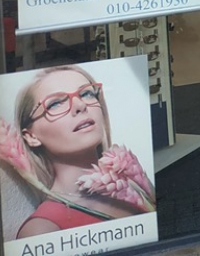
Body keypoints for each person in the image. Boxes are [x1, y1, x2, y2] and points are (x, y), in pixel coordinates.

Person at [10, 66, 148, 237]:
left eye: (87, 93)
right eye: (55, 103)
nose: (80, 105)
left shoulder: (135, 185)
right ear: (31, 136)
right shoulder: (42, 230)